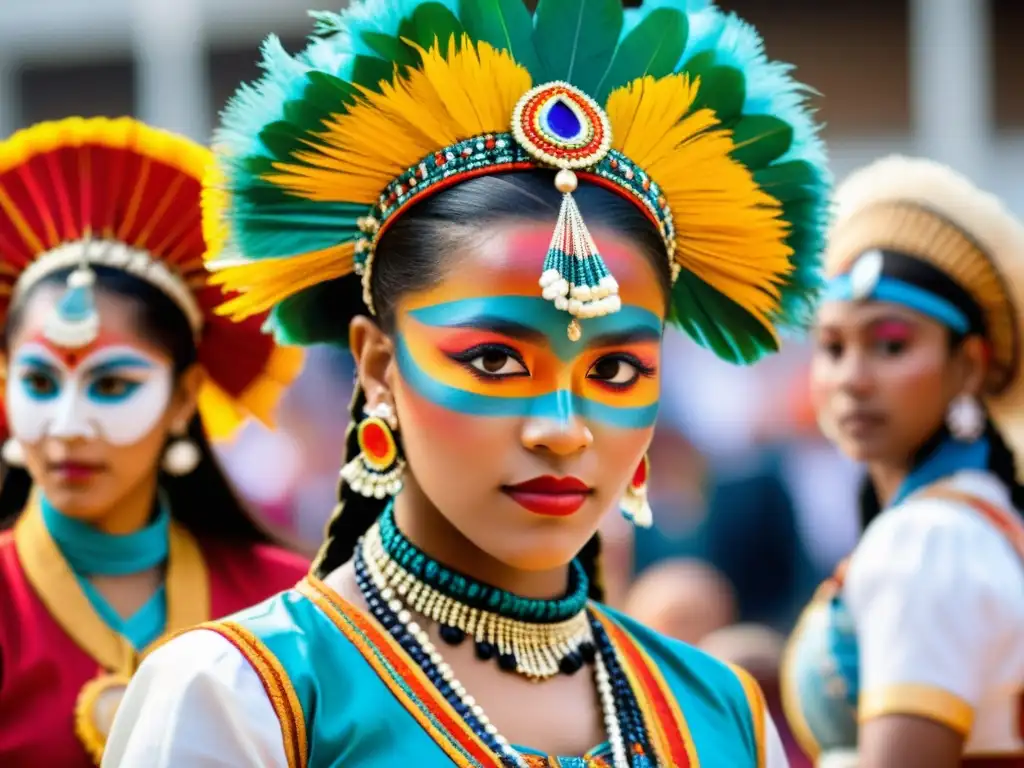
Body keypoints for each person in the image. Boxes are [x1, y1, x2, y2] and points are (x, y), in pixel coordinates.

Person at [105, 0, 832, 764]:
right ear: (379, 369)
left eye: (615, 370)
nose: (562, 426)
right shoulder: (243, 695)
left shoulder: (718, 713)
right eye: (493, 361)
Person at [0, 116, 310, 767]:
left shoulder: (293, 607)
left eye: (112, 386)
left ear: (184, 397)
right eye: (38, 382)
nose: (67, 426)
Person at [780, 157, 1024, 768]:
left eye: (891, 345)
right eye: (832, 347)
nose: (853, 380)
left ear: (969, 364)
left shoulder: (927, 539)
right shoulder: (976, 521)